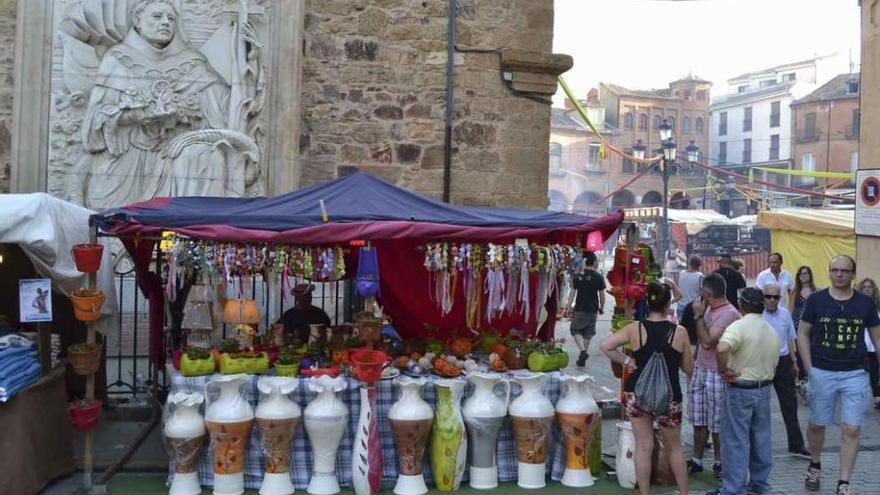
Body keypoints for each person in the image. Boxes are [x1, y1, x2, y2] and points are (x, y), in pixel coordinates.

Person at [68, 0, 261, 210]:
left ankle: (193, 233)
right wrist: (137, 115)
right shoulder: (117, 60)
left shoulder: (192, 63)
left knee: (206, 156)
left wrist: (246, 65)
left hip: (175, 154)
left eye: (170, 18)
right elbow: (95, 122)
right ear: (138, 22)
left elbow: (225, 109)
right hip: (128, 157)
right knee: (108, 209)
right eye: (157, 17)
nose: (165, 23)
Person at [600, 282, 693, 495]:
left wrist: (626, 361)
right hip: (670, 397)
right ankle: (684, 492)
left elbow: (605, 345)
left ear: (647, 304)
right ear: (668, 303)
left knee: (643, 446)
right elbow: (689, 369)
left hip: (637, 394)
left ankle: (644, 493)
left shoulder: (635, 329)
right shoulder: (680, 332)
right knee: (675, 448)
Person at [798, 255, 880, 494]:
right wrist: (809, 367)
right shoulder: (816, 300)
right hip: (821, 371)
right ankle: (815, 464)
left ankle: (843, 482)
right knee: (816, 424)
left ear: (853, 274)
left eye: (845, 270)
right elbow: (803, 333)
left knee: (852, 428)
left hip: (855, 373)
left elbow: (877, 338)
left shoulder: (864, 304)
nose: (840, 274)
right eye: (835, 270)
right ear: (829, 273)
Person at [706, 288, 781, 495]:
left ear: (742, 305)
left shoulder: (738, 327)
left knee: (736, 440)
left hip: (740, 387)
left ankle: (733, 488)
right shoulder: (770, 330)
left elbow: (721, 348)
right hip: (764, 388)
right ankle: (759, 484)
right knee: (761, 439)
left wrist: (723, 370)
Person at [689, 273, 741, 480]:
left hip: (717, 372)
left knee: (717, 421)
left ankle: (720, 462)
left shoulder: (729, 313)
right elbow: (702, 344)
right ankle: (697, 459)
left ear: (707, 293)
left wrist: (699, 316)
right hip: (702, 368)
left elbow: (709, 341)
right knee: (699, 417)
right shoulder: (709, 307)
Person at [761, 282, 809, 458]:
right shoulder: (757, 315)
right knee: (761, 407)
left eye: (776, 297)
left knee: (790, 405)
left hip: (783, 362)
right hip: (763, 361)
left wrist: (794, 361)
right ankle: (761, 447)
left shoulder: (785, 314)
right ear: (763, 297)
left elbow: (791, 339)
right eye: (768, 297)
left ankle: (796, 444)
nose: (772, 300)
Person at [568, 250, 606, 367]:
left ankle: (583, 352)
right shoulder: (599, 277)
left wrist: (568, 307)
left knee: (575, 330)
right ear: (594, 262)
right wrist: (602, 307)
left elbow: (572, 293)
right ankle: (582, 357)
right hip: (593, 310)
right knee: (587, 334)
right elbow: (602, 295)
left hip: (580, 308)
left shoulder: (578, 277)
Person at [856, 277, 880, 409]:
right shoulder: (857, 304)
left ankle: (877, 396)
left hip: (874, 344)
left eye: (869, 287)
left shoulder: (878, 305)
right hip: (861, 343)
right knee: (862, 372)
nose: (867, 289)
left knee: (875, 371)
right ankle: (859, 397)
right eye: (864, 287)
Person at [790, 265, 817, 381]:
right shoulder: (795, 292)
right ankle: (801, 378)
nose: (804, 275)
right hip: (798, 325)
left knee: (813, 349)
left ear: (810, 275)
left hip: (814, 325)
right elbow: (790, 310)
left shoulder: (815, 292)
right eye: (801, 274)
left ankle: (813, 374)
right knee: (801, 350)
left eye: (806, 273)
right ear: (798, 277)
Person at [676, 256, 704, 323]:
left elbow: (676, 287)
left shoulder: (680, 273)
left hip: (681, 305)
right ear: (699, 265)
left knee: (681, 326)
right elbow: (702, 292)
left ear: (689, 263)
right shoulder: (700, 276)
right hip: (693, 307)